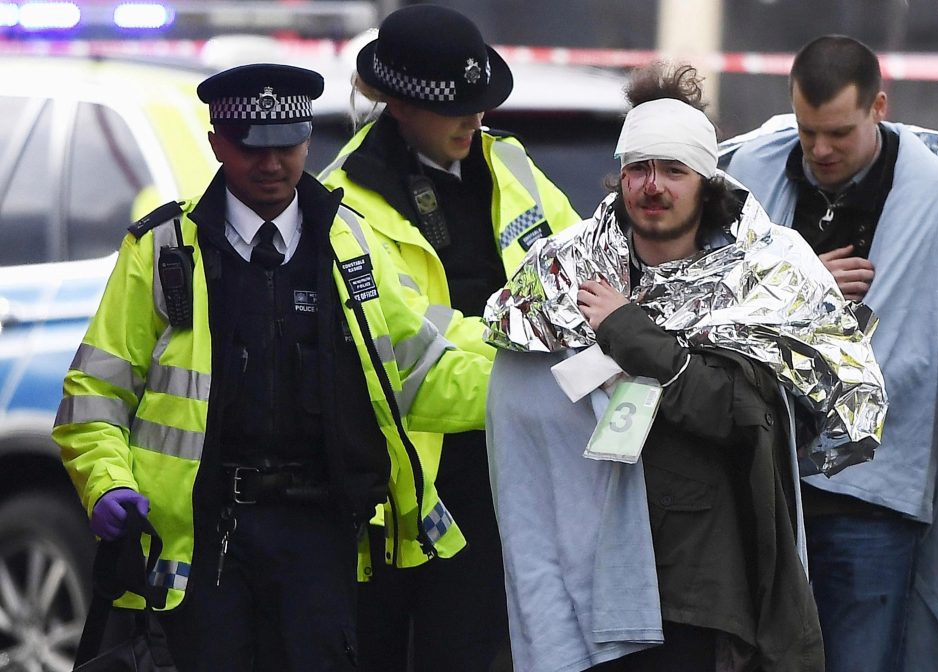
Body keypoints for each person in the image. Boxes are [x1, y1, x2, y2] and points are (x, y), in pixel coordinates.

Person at [52, 62, 490, 672]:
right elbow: (94, 396)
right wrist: (107, 482)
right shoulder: (162, 253)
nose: (271, 164)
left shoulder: (352, 247)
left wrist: (533, 391)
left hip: (321, 537)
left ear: (308, 139)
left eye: (287, 144)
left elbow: (422, 373)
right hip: (205, 544)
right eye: (249, 146)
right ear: (215, 143)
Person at [486, 62, 824, 672]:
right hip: (588, 586)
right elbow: (522, 427)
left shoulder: (752, 279)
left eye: (673, 169)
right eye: (638, 168)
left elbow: (736, 413)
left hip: (699, 593)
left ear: (706, 182)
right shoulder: (562, 279)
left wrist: (626, 333)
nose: (653, 185)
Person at [319, 5, 582, 671]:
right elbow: (409, 366)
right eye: (457, 109)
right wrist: (544, 367)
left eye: (482, 105)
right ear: (399, 105)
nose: (476, 121)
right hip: (408, 500)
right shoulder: (345, 206)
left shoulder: (512, 165)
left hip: (520, 483)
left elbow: (587, 277)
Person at [723, 35, 938, 672]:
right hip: (760, 480)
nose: (820, 150)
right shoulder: (750, 175)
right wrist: (799, 283)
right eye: (806, 132)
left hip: (872, 493)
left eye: (838, 134)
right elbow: (700, 308)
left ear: (879, 107)